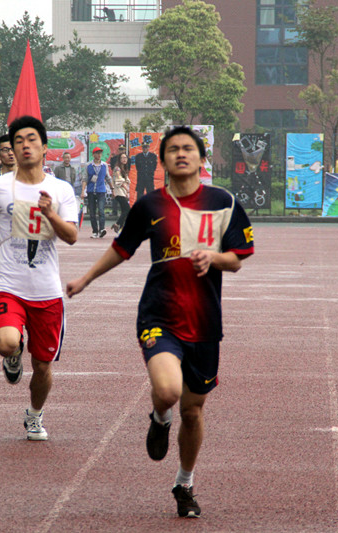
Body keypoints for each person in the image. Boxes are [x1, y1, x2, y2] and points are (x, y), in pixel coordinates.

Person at [66, 126, 254, 518]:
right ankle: (159, 416)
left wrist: (214, 258)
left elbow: (237, 258)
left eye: (188, 149)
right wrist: (86, 278)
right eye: (173, 150)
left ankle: (184, 483)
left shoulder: (224, 202)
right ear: (162, 160)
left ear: (202, 158)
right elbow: (122, 248)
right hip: (159, 314)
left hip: (204, 322)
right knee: (168, 391)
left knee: (194, 411)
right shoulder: (150, 205)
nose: (181, 154)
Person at [0, 116, 78, 441]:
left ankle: (34, 415)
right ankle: (13, 354)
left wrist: (50, 213)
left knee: (42, 366)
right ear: (11, 149)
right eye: (18, 141)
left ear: (44, 147)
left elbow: (71, 236)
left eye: (31, 139)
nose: (25, 145)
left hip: (47, 291)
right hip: (8, 285)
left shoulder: (61, 189)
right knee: (7, 342)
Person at [85, 147, 112, 238]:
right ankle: (95, 231)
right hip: (91, 191)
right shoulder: (88, 165)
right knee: (92, 213)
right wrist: (83, 191)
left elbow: (108, 177)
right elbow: (85, 178)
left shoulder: (104, 165)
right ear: (93, 155)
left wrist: (112, 188)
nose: (99, 155)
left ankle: (102, 229)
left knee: (101, 210)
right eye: (97, 153)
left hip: (101, 191)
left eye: (100, 153)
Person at [110, 152, 131, 233]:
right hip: (118, 192)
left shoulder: (124, 169)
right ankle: (118, 224)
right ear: (119, 159)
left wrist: (126, 191)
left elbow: (126, 181)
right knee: (127, 209)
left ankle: (120, 227)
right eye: (122, 157)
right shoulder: (117, 169)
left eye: (125, 158)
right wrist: (126, 189)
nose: (124, 159)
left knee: (124, 210)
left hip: (123, 192)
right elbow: (119, 181)